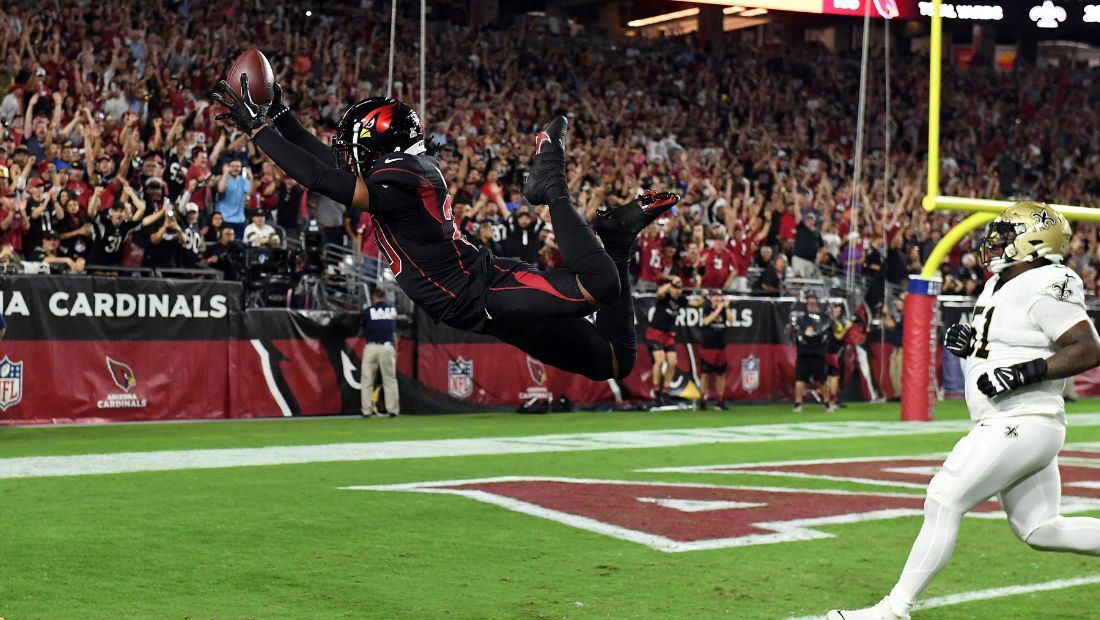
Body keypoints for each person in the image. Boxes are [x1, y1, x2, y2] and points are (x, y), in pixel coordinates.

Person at [212, 78, 677, 381]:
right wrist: (280, 112)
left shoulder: (402, 175)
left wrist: (259, 129)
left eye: (356, 145)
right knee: (614, 361)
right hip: (479, 301)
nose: (348, 154)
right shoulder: (404, 168)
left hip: (483, 292)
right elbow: (322, 159)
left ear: (379, 144)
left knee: (600, 287)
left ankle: (551, 183)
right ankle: (615, 238)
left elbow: (320, 177)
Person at [828, 203, 1100, 620]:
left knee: (944, 497)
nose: (995, 242)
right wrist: (970, 343)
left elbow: (1087, 347)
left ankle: (893, 610)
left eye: (1006, 235)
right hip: (1016, 421)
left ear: (1032, 242)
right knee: (1041, 529)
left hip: (1021, 420)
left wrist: (1027, 372)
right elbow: (1010, 340)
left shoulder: (1048, 279)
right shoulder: (999, 284)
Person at [645, 276, 685, 405]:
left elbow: (697, 303)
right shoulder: (664, 298)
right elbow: (659, 292)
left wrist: (702, 296)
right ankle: (656, 392)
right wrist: (671, 282)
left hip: (668, 336)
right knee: (660, 360)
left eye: (679, 288)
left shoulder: (681, 300)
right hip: (654, 334)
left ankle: (665, 392)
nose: (676, 291)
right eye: (674, 288)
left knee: (672, 362)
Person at [360, 287, 400, 418]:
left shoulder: (369, 311)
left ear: (374, 298)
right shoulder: (392, 310)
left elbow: (364, 326)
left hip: (372, 346)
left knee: (367, 380)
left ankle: (366, 410)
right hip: (387, 347)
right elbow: (394, 327)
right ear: (385, 297)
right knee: (390, 379)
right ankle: (393, 410)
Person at [790, 293, 830, 412]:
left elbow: (823, 328)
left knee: (822, 380)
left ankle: (827, 403)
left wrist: (815, 330)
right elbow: (798, 330)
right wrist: (805, 330)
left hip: (818, 353)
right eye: (809, 303)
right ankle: (798, 404)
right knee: (800, 379)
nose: (811, 305)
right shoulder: (802, 318)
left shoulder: (822, 317)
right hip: (804, 353)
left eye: (813, 302)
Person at [698, 289, 733, 409]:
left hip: (720, 346)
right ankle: (702, 399)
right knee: (705, 375)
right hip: (708, 347)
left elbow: (731, 320)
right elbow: (706, 321)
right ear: (710, 298)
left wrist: (726, 308)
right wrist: (719, 308)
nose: (717, 299)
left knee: (721, 375)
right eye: (714, 296)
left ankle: (720, 400)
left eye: (719, 296)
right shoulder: (707, 307)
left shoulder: (724, 309)